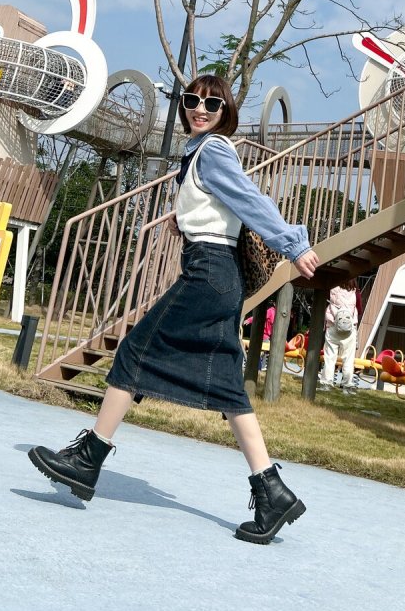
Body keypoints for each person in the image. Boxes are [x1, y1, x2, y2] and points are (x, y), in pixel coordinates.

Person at [28, 74, 320, 544]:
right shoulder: (199, 154)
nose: (199, 110)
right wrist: (179, 220)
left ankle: (87, 461)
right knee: (227, 386)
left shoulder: (216, 150)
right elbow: (217, 205)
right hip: (216, 272)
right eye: (192, 101)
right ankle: (272, 492)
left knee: (133, 353)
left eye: (212, 104)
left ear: (226, 112)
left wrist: (291, 243)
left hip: (208, 273)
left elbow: (249, 199)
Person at [319, 278, 359, 393]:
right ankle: (347, 384)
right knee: (348, 358)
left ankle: (327, 383)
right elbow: (359, 308)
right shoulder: (355, 291)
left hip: (332, 326)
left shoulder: (332, 288)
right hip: (349, 330)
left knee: (330, 357)